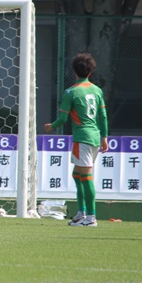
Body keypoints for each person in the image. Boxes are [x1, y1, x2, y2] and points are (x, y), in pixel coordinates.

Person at [44, 53, 108, 227]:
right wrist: (104, 137)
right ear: (91, 71)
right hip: (94, 136)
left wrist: (51, 126)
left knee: (86, 177)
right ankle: (81, 213)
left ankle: (91, 217)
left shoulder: (71, 91)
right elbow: (102, 115)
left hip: (82, 137)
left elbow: (63, 119)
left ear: (74, 71)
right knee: (77, 174)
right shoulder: (97, 90)